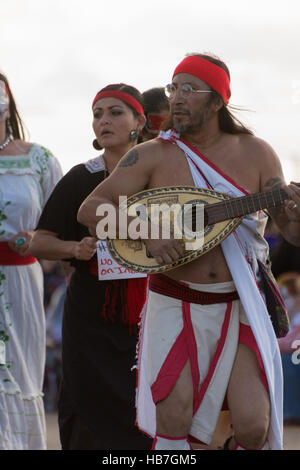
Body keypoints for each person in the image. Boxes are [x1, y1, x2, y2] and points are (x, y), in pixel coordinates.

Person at [77, 53, 300, 451]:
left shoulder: (258, 153)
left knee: (253, 426)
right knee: (175, 419)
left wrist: (295, 214)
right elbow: (91, 210)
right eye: (172, 88)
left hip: (240, 303)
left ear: (217, 102)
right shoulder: (150, 155)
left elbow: (291, 235)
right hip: (174, 300)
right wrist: (144, 230)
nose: (177, 98)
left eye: (189, 89)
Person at [30, 83, 152, 450]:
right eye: (97, 114)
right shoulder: (81, 177)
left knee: (148, 406)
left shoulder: (159, 174)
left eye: (116, 112)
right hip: (90, 318)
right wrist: (73, 247)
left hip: (152, 311)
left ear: (139, 121)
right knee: (88, 410)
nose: (104, 121)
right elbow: (39, 240)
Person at [0, 72, 62, 449]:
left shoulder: (37, 159)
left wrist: (38, 241)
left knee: (18, 374)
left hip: (21, 282)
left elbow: (61, 230)